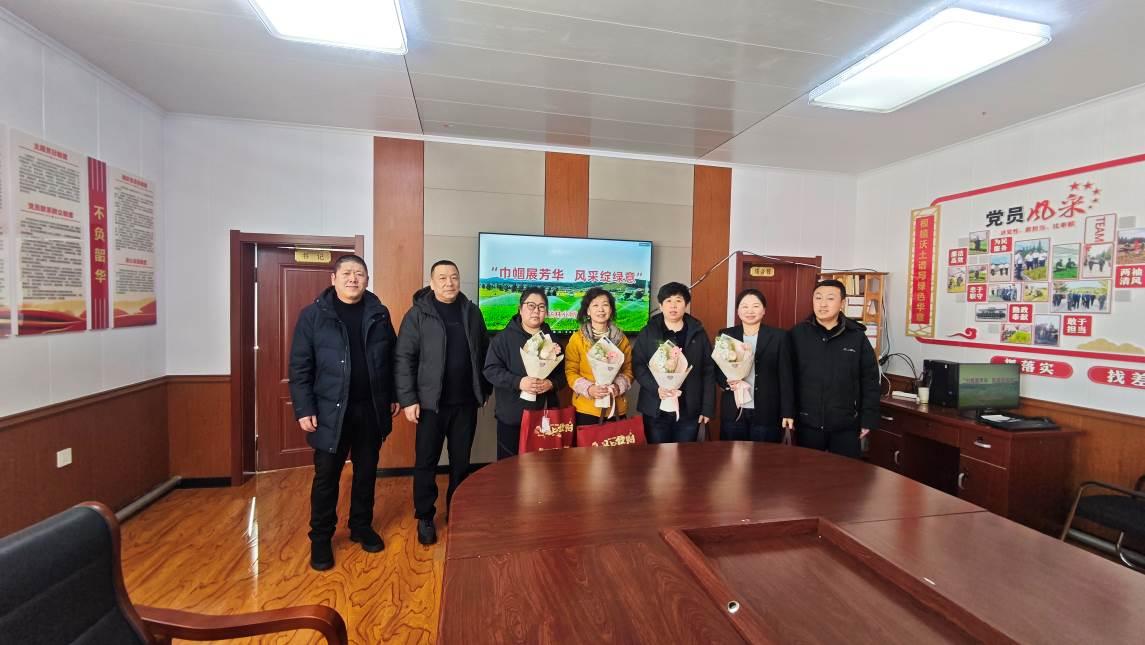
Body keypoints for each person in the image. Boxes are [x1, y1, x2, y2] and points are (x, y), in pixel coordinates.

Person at [288, 254, 400, 571]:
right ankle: (321, 537)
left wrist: (392, 395)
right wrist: (304, 407)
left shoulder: (379, 313)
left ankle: (361, 526)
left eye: (359, 274)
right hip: (329, 411)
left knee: (366, 472)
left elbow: (392, 359)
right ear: (333, 279)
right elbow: (300, 366)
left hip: (370, 409)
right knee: (327, 477)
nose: (353, 278)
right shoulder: (313, 315)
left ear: (367, 280)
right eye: (347, 273)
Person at [395, 260, 490, 546]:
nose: (449, 282)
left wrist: (483, 390)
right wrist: (408, 399)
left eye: (454, 277)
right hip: (429, 405)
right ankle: (425, 515)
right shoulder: (418, 314)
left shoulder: (472, 312)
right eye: (443, 278)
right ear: (432, 282)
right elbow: (404, 358)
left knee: (461, 462)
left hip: (465, 404)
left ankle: (457, 510)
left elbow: (484, 351)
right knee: (426, 461)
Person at [788, 279, 879, 458]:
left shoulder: (857, 337)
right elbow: (787, 378)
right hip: (807, 422)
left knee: (844, 473)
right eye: (818, 298)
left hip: (846, 424)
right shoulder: (797, 334)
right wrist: (787, 413)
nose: (822, 304)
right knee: (806, 471)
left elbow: (870, 381)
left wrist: (868, 419)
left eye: (830, 298)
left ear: (842, 303)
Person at [483, 288, 567, 459]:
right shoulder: (503, 339)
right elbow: (491, 370)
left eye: (541, 307)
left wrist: (551, 384)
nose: (536, 311)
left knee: (543, 466)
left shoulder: (553, 341)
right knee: (510, 467)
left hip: (544, 416)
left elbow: (563, 376)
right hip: (512, 417)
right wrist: (519, 382)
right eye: (531, 306)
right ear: (520, 309)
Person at [632, 282, 715, 443]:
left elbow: (708, 371)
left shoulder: (698, 332)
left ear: (686, 305)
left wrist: (707, 408)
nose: (673, 305)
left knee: (685, 455)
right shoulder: (649, 331)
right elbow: (638, 364)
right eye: (668, 301)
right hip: (655, 408)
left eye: (678, 300)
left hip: (689, 409)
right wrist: (656, 388)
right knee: (657, 455)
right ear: (661, 305)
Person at [714, 289, 794, 443]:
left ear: (764, 310)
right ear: (738, 311)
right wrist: (727, 383)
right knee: (732, 455)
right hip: (734, 409)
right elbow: (717, 369)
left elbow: (786, 376)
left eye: (756, 306)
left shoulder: (779, 336)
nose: (750, 311)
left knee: (763, 456)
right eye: (744, 306)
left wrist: (787, 412)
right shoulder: (726, 335)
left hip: (767, 410)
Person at [564, 287, 635, 428]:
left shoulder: (622, 339)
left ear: (611, 309)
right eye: (595, 305)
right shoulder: (577, 339)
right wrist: (589, 389)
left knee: (617, 443)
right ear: (588, 311)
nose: (601, 309)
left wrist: (617, 387)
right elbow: (570, 371)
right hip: (586, 409)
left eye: (605, 305)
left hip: (615, 407)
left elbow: (629, 370)